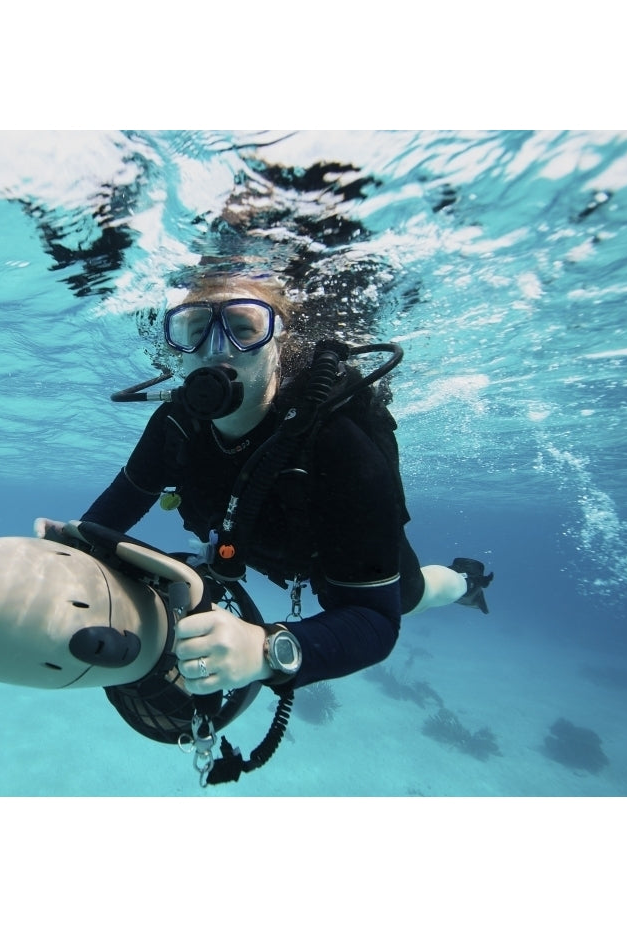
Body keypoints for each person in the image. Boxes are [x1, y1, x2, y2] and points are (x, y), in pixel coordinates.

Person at [36, 272, 493, 699]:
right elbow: (111, 513)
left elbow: (375, 621)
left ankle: (465, 582)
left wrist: (262, 649)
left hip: (329, 555)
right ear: (178, 347)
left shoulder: (335, 440)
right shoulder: (174, 424)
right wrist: (69, 548)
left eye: (243, 327)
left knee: (410, 596)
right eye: (194, 329)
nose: (217, 348)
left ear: (279, 344)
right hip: (242, 545)